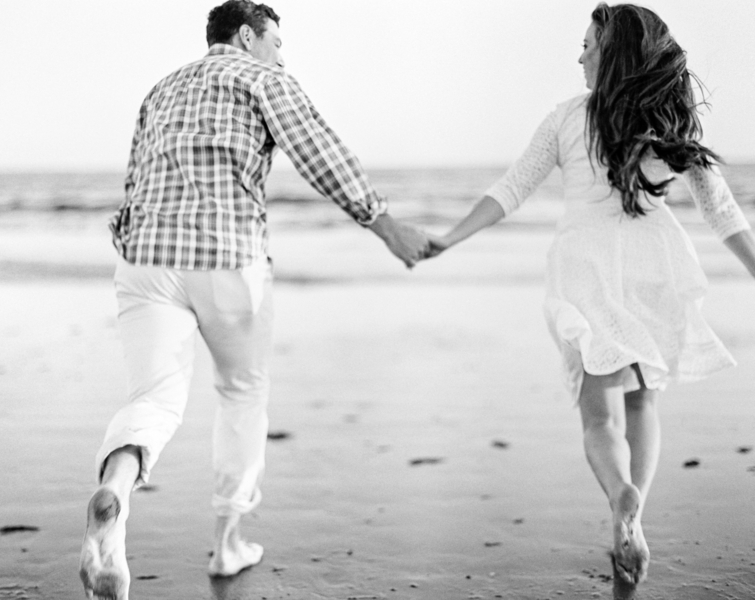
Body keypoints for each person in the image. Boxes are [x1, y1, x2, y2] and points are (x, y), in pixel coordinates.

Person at [78, 2, 428, 598]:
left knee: (154, 397)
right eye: (277, 42)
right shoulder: (262, 78)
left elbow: (135, 180)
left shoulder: (160, 89)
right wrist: (385, 223)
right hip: (227, 259)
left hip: (144, 261)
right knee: (242, 394)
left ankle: (117, 486)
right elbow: (321, 155)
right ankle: (227, 543)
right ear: (247, 36)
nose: (282, 56)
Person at [423, 2, 755, 586]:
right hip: (654, 264)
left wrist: (449, 238)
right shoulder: (668, 122)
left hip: (585, 265)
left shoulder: (565, 118)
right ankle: (637, 514)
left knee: (598, 416)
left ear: (612, 53)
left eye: (587, 44)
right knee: (644, 400)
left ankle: (619, 494)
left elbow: (512, 189)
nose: (579, 54)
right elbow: (722, 212)